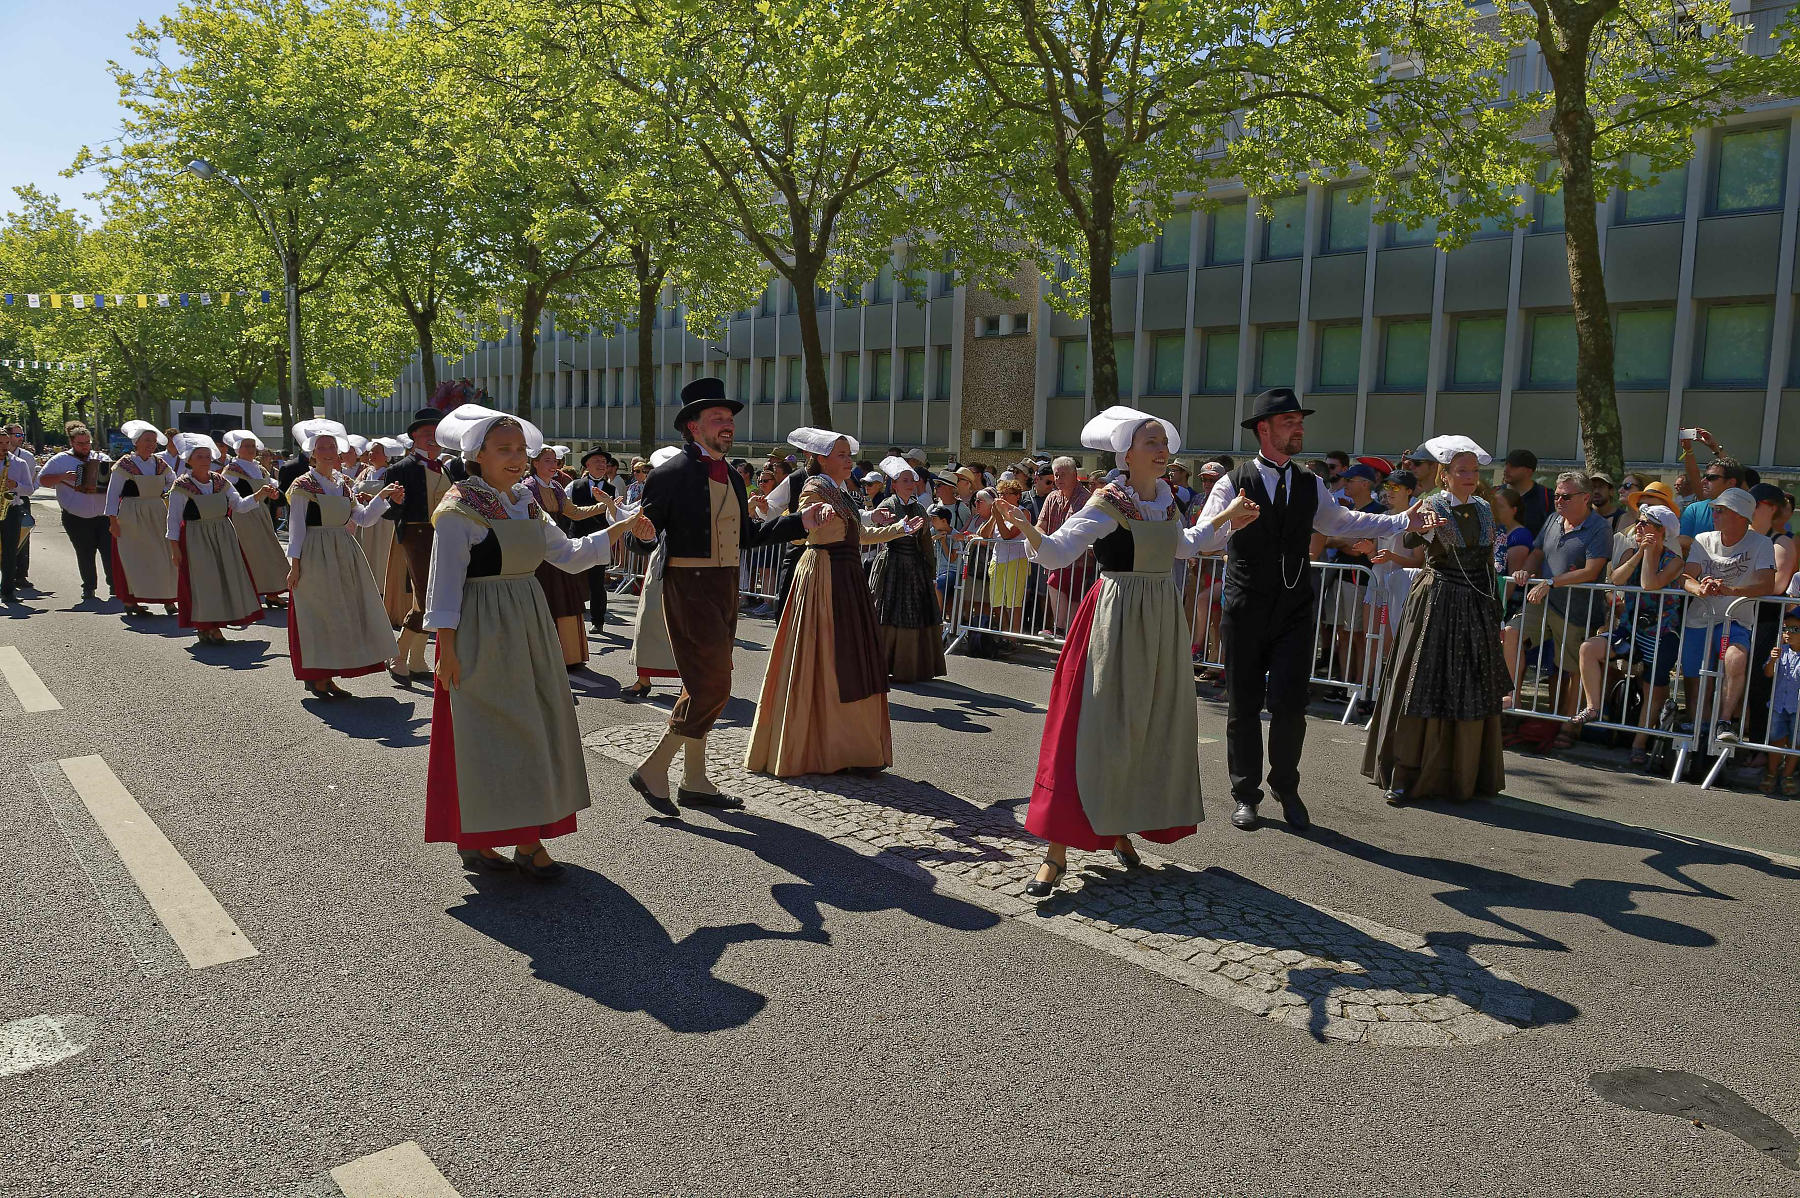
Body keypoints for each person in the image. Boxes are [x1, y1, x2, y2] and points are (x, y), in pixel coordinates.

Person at [994, 407, 1259, 898]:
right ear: (1127, 453)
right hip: (1114, 619)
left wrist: (1227, 516)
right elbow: (1055, 553)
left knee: (1146, 726)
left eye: (1164, 443)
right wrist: (1025, 527)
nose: (1163, 452)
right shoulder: (1107, 501)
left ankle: (1117, 824)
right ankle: (1056, 850)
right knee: (1093, 728)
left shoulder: (1166, 499)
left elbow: (1185, 547)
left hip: (1159, 621)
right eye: (1152, 443)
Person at [1197, 389, 1433, 831]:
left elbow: (1342, 523)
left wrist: (1402, 521)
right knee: (1243, 704)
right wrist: (1230, 519)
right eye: (1288, 421)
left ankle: (1287, 786)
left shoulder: (1310, 482)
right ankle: (1245, 793)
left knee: (1290, 704)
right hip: (1246, 602)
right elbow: (1204, 539)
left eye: (1299, 420)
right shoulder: (1235, 481)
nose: (1299, 428)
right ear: (1263, 429)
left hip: (1294, 606)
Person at [424, 407, 629, 879]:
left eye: (520, 449)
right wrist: (447, 650)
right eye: (505, 450)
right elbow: (445, 585)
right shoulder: (459, 510)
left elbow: (569, 556)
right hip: (481, 627)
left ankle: (522, 838)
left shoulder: (526, 502)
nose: (517, 458)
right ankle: (492, 838)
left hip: (529, 622)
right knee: (491, 734)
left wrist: (617, 528)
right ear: (477, 455)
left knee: (536, 727)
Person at [629, 380, 833, 811]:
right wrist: (643, 537)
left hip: (724, 585)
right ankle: (653, 768)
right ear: (692, 426)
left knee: (704, 682)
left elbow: (750, 535)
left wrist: (801, 520)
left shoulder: (733, 479)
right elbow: (641, 539)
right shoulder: (669, 475)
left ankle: (696, 780)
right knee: (713, 685)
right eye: (718, 419)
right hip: (688, 585)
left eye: (730, 419)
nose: (728, 425)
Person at [744, 430, 918, 778]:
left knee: (852, 660)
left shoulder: (839, 491)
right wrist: (813, 516)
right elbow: (804, 528)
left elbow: (857, 536)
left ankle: (851, 746)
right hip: (824, 575)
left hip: (846, 576)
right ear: (821, 459)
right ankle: (818, 746)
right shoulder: (814, 489)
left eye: (847, 454)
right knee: (822, 658)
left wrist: (898, 528)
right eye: (840, 455)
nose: (848, 460)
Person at [1362, 439, 1510, 805]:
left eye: (1475, 472)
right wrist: (1424, 524)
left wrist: (1494, 606)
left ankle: (1464, 774)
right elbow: (1413, 535)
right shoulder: (1431, 505)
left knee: (1467, 686)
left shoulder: (1484, 509)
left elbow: (1488, 562)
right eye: (1462, 471)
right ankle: (1406, 774)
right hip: (1437, 601)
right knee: (1421, 683)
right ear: (1445, 474)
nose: (1470, 478)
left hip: (1474, 605)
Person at [283, 423, 403, 699]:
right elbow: (297, 528)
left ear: (339, 452)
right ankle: (318, 675)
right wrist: (295, 565)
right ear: (312, 454)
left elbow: (364, 519)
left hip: (344, 551)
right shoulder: (303, 485)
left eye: (331, 447)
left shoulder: (343, 483)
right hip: (315, 551)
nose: (327, 451)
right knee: (319, 613)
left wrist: (383, 497)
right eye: (321, 447)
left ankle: (329, 673)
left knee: (340, 612)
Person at [1573, 502, 1686, 768]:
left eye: (1645, 524)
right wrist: (1639, 553)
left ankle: (1639, 744)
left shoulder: (1675, 561)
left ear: (1661, 531)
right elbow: (1617, 580)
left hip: (1661, 631)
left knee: (1652, 690)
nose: (1639, 527)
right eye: (1639, 522)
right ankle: (1593, 707)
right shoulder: (1631, 552)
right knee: (1588, 648)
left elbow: (1649, 584)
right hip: (1629, 628)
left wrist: (1651, 554)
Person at [1501, 472, 1612, 727]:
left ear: (1585, 498)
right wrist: (1525, 571)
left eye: (1565, 496)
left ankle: (1569, 726)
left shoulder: (1600, 528)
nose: (1559, 501)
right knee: (1511, 633)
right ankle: (1511, 699)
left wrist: (1551, 582)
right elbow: (1537, 553)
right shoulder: (1553, 519)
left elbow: (1591, 571)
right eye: (1556, 495)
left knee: (1573, 669)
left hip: (1577, 608)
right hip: (1543, 601)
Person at [1680, 486, 1776, 744]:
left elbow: (1768, 585)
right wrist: (1698, 588)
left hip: (1735, 619)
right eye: (1714, 509)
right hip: (1700, 619)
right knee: (1696, 676)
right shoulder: (1703, 539)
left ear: (1740, 515)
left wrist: (1730, 590)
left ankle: (1724, 722)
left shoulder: (1761, 543)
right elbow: (1686, 576)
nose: (1714, 513)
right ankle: (1698, 727)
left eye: (1720, 510)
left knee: (1734, 659)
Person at [165, 434, 273, 644]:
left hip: (224, 536)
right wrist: (174, 548)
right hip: (196, 538)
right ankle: (207, 625)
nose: (204, 460)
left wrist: (259, 495)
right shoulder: (181, 486)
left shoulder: (220, 481)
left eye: (207, 456)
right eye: (199, 456)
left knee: (223, 580)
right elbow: (173, 519)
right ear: (189, 460)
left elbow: (239, 505)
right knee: (204, 583)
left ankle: (215, 624)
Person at [384, 408, 462, 683]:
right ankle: (397, 655)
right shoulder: (400, 469)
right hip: (416, 536)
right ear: (414, 437)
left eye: (436, 433)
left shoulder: (445, 468)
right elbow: (388, 512)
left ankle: (415, 659)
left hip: (443, 536)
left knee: (433, 598)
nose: (432, 438)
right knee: (426, 598)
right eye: (427, 433)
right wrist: (394, 502)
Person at [525, 445, 610, 670]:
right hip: (538, 553)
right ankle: (542, 656)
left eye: (555, 461)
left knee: (565, 597)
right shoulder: (526, 488)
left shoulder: (555, 487)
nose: (554, 465)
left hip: (558, 549)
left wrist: (606, 505)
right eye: (547, 461)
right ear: (534, 463)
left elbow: (574, 512)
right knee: (545, 600)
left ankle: (568, 655)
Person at [867, 454, 945, 682]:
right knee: (887, 610)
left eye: (912, 480)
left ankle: (911, 666)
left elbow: (925, 543)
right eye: (905, 480)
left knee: (914, 613)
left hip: (915, 566)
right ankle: (880, 663)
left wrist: (930, 571)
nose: (911, 484)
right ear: (894, 484)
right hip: (892, 563)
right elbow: (877, 531)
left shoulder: (920, 508)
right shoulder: (887, 505)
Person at [622, 446, 685, 700]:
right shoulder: (654, 495)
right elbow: (637, 525)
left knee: (684, 626)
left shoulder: (697, 494)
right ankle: (643, 679)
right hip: (661, 563)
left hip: (689, 566)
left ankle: (688, 682)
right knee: (649, 620)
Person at [105, 421, 180, 618]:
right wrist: (113, 520)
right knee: (134, 557)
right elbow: (112, 494)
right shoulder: (125, 464)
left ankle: (169, 598)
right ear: (136, 442)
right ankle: (131, 600)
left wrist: (168, 494)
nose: (151, 444)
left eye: (153, 441)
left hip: (157, 512)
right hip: (132, 513)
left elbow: (174, 483)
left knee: (164, 556)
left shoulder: (160, 464)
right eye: (147, 440)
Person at [36, 422, 114, 602]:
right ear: (72, 442)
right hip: (76, 517)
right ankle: (89, 587)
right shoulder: (60, 460)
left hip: (103, 515)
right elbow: (43, 481)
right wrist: (63, 476)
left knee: (109, 552)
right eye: (81, 444)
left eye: (87, 443)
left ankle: (114, 586)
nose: (85, 447)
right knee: (85, 553)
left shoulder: (100, 457)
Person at [219, 430, 290, 610]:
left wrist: (275, 495)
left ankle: (272, 592)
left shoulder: (260, 468)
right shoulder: (232, 470)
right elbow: (225, 494)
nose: (250, 449)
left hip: (262, 514)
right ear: (237, 449)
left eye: (252, 446)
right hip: (243, 516)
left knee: (270, 552)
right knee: (251, 555)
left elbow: (274, 486)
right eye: (246, 446)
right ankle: (251, 593)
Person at [1035, 456, 1091, 638]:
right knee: (1056, 584)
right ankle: (1062, 630)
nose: (1058, 479)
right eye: (1056, 475)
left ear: (1075, 475)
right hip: (1056, 557)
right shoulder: (1052, 497)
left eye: (1063, 475)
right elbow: (1040, 524)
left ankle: (1066, 632)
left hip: (1079, 559)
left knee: (1072, 593)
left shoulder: (1086, 499)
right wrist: (1040, 538)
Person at [567, 449, 617, 633]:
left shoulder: (612, 489)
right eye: (597, 460)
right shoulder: (574, 485)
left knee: (597, 582)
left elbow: (616, 515)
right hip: (577, 539)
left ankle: (598, 620)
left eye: (604, 461)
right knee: (572, 579)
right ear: (587, 465)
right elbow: (566, 511)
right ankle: (571, 618)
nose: (601, 464)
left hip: (600, 540)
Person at [352, 437, 401, 618]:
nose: (371, 454)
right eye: (371, 451)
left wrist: (374, 497)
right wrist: (361, 497)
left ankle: (382, 591)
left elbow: (396, 497)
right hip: (366, 518)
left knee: (381, 554)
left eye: (376, 452)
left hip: (384, 522)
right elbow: (353, 491)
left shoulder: (391, 473)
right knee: (366, 553)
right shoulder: (364, 473)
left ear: (387, 456)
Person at [1760, 610, 1800, 794]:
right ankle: (1771, 772)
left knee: (1796, 742)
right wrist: (1772, 661)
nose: (1788, 633)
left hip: (1797, 708)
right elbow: (1768, 674)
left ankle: (1788, 775)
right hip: (1778, 705)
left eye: (1794, 629)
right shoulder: (1780, 651)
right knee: (1777, 739)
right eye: (1785, 629)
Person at [2, 425, 38, 596]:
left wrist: (15, 485)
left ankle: (8, 590)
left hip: (11, 508)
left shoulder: (19, 463)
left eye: (6, 443)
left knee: (10, 551)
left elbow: (29, 490)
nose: (3, 446)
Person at [1501, 449, 1552, 534]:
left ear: (1528, 471)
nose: (1506, 470)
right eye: (1506, 465)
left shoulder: (1547, 497)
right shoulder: (1494, 494)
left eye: (1513, 466)